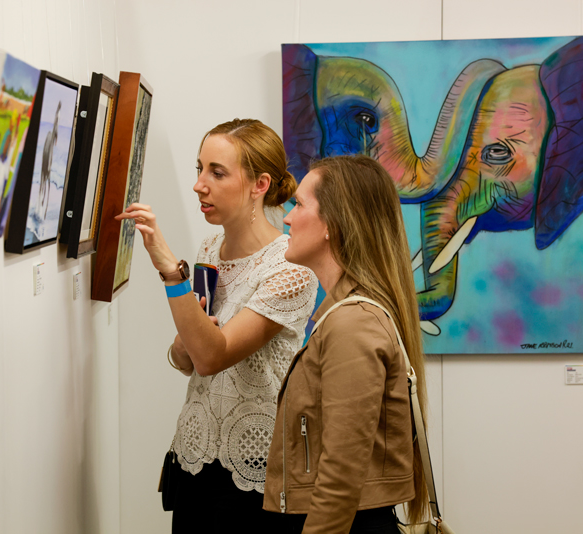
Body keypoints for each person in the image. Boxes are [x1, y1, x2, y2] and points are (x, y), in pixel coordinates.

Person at [116, 119, 319, 533]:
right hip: (193, 455)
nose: (199, 185)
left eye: (217, 172)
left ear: (259, 184)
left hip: (252, 471)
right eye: (199, 168)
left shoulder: (291, 267)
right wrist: (182, 343)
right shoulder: (211, 248)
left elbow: (212, 356)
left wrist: (172, 273)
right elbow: (187, 358)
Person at [262, 155, 429, 534]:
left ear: (331, 226)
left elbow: (341, 472)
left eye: (300, 205)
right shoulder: (344, 316)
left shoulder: (351, 325)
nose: (287, 217)